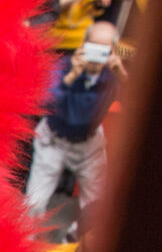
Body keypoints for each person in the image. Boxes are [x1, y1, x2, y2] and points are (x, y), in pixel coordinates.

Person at [25, 20, 116, 238]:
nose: (97, 56)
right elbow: (46, 102)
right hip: (54, 139)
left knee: (94, 201)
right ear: (84, 46)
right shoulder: (63, 66)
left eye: (104, 50)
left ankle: (76, 239)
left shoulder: (111, 77)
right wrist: (71, 77)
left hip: (88, 143)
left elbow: (134, 103)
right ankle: (26, 241)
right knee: (34, 200)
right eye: (94, 47)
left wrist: (116, 72)